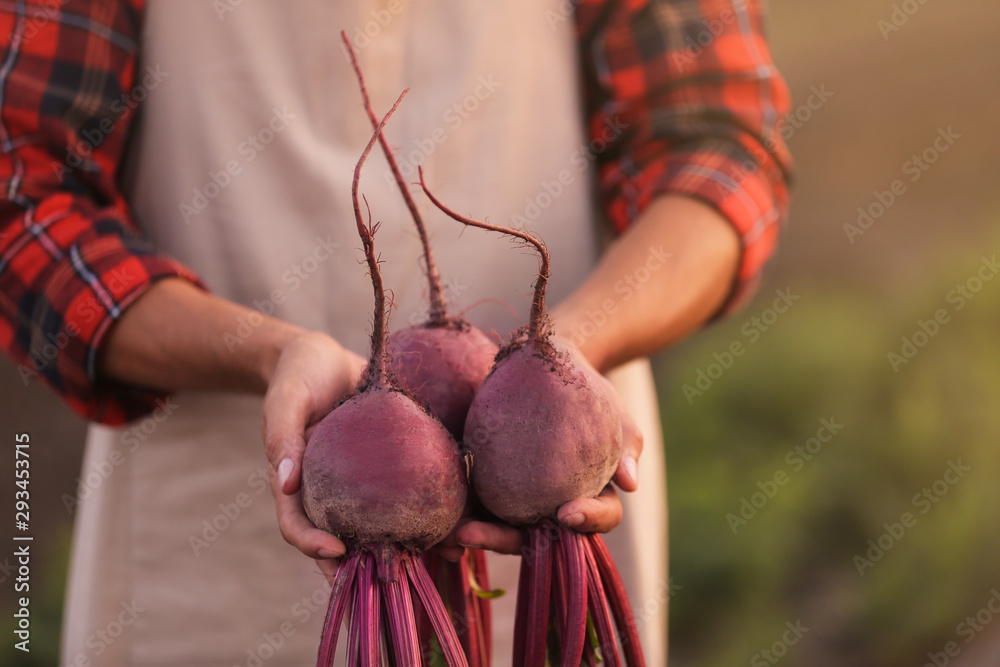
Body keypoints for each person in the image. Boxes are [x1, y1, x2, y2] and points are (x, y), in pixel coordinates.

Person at [0, 0, 791, 664]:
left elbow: (715, 144)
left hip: (554, 522)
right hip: (206, 535)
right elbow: (19, 193)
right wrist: (267, 352)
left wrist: (564, 353)